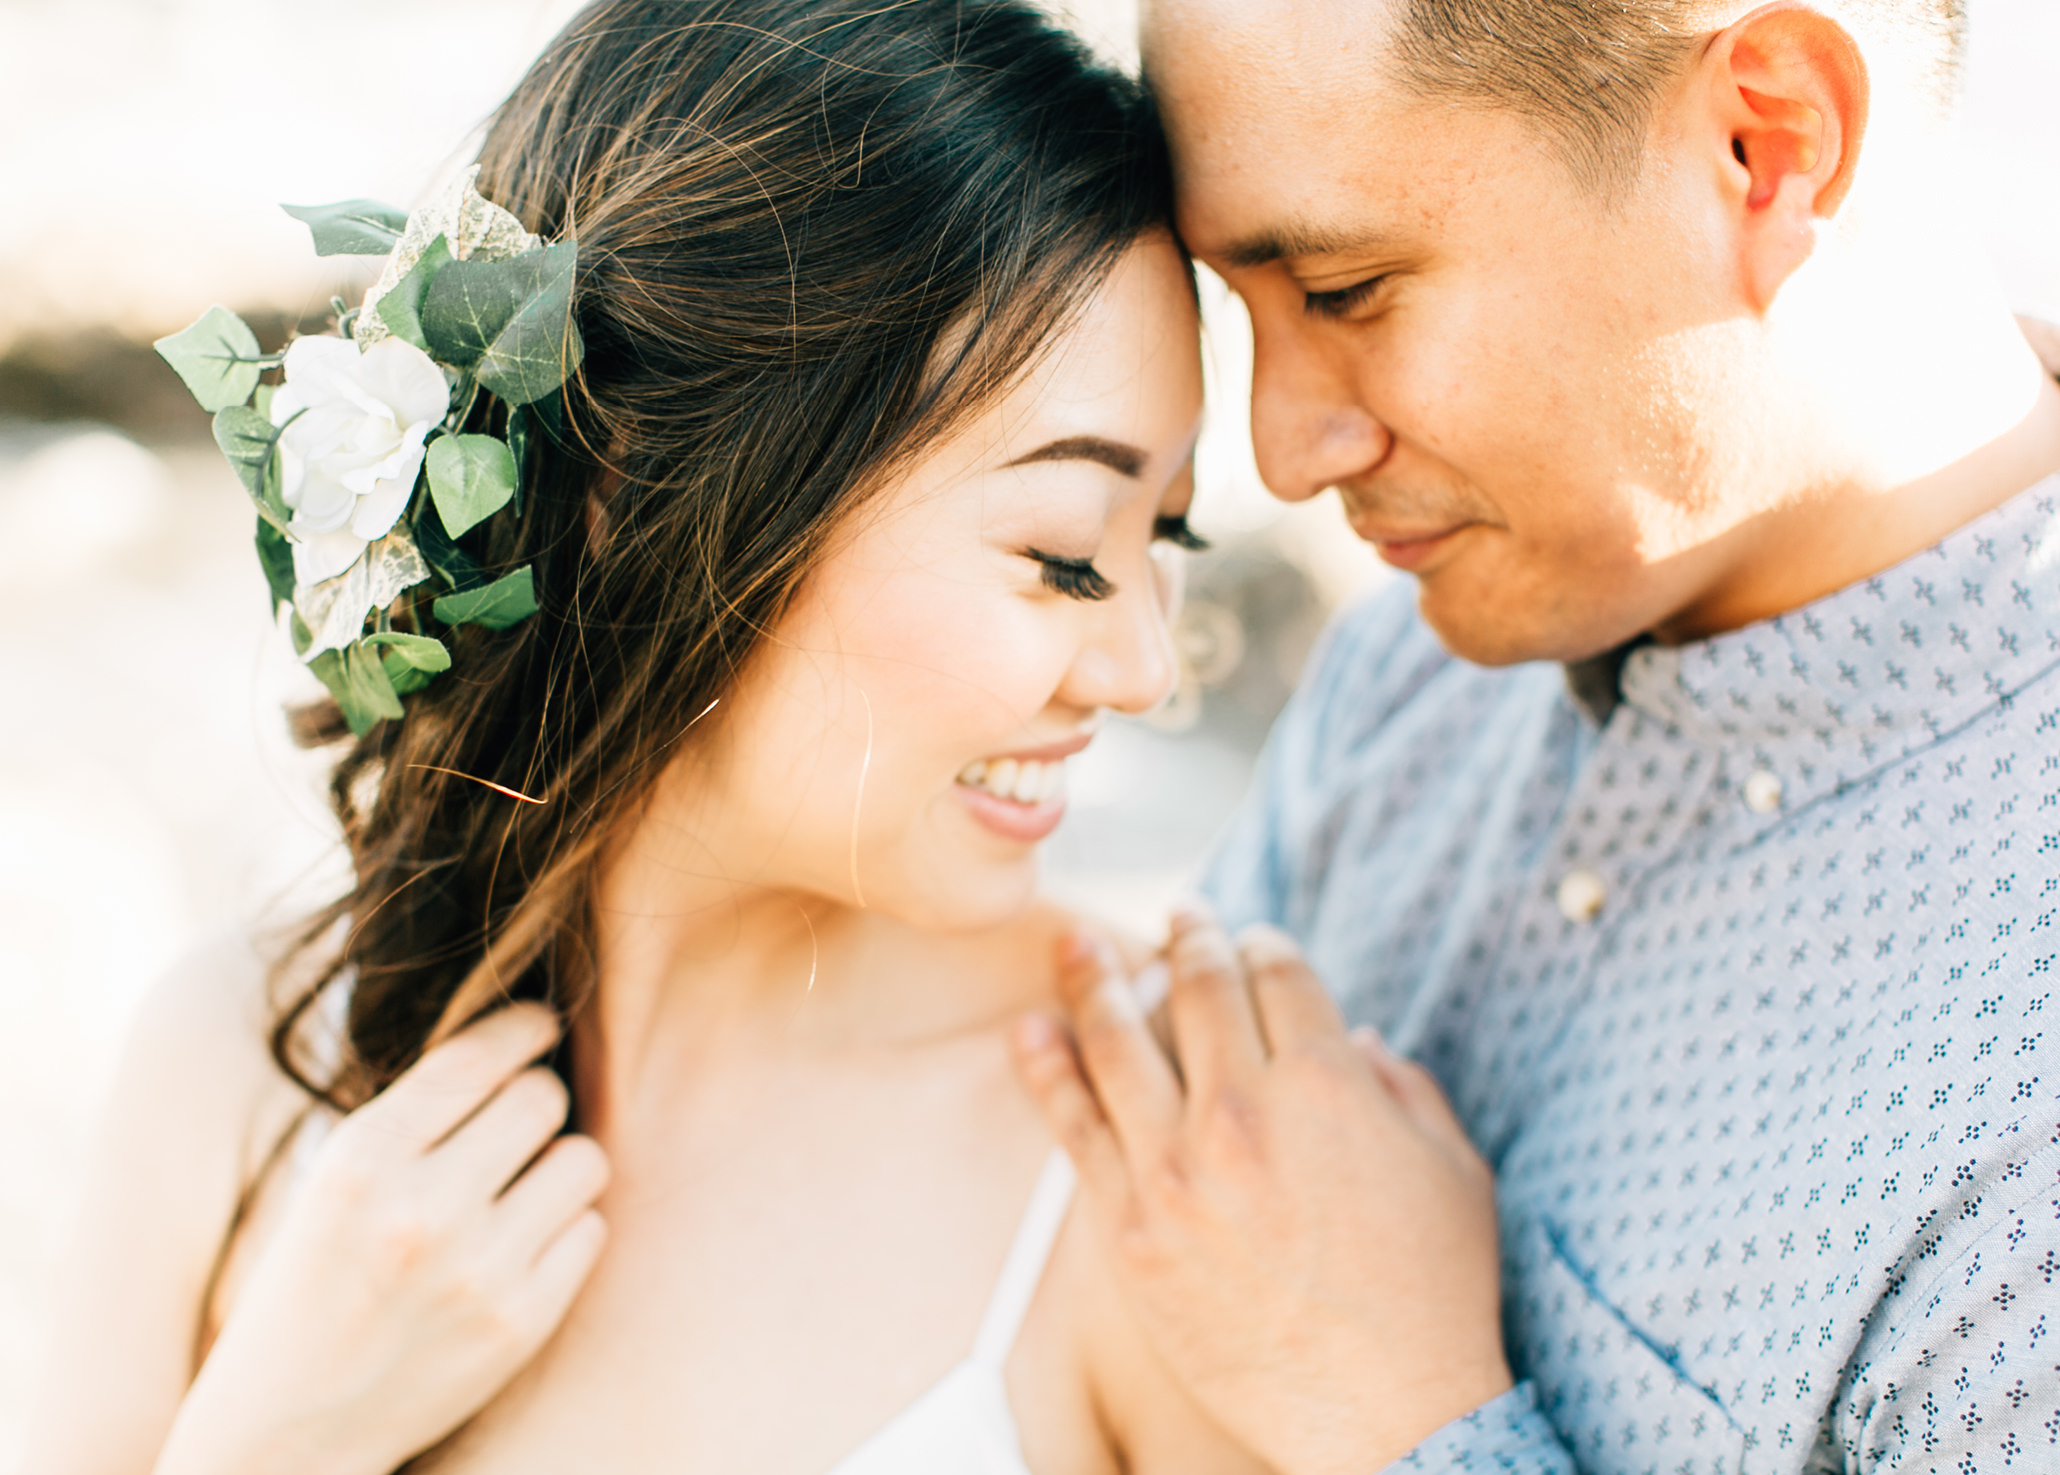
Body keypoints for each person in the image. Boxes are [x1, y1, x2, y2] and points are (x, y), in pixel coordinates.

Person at [24, 3, 1271, 1471]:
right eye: (1065, 552)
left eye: (1165, 533)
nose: (1139, 665)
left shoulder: (1148, 1159)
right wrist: (276, 1436)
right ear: (633, 481)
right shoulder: (239, 1068)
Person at [1009, 0, 2060, 1470]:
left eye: (1345, 287)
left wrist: (1409, 1421)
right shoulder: (1413, 666)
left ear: (1773, 144)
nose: (1285, 449)